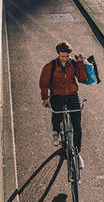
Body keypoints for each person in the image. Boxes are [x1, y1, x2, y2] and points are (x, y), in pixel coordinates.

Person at [39, 41, 88, 169]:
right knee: (56, 117)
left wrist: (81, 63)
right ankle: (56, 133)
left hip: (72, 95)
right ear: (58, 54)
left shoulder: (73, 64)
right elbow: (44, 83)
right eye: (62, 56)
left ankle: (77, 154)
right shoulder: (50, 67)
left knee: (77, 126)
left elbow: (82, 78)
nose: (65, 59)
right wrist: (45, 98)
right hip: (57, 95)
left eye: (67, 56)